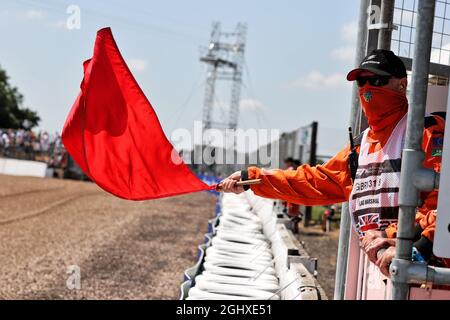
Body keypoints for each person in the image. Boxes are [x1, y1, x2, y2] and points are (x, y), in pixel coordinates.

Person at [220, 49, 446, 275]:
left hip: (425, 269)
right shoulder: (360, 147)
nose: (367, 89)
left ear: (401, 85)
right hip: (382, 270)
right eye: (361, 82)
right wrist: (253, 179)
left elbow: (441, 205)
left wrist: (400, 238)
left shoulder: (426, 132)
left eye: (377, 80)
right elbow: (314, 181)